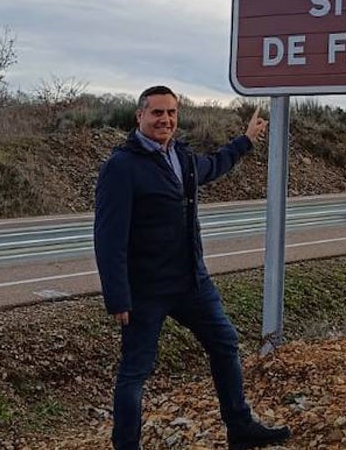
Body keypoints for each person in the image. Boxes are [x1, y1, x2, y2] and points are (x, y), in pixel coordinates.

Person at [93, 86, 291, 450]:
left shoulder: (180, 157)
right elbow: (108, 237)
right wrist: (117, 295)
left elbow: (212, 166)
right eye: (156, 113)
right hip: (145, 290)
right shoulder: (121, 166)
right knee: (135, 372)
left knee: (226, 344)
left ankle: (240, 427)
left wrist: (245, 140)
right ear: (139, 117)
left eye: (171, 113)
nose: (165, 120)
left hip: (191, 282)